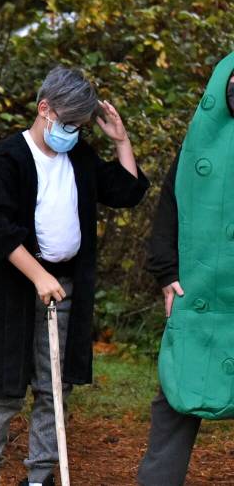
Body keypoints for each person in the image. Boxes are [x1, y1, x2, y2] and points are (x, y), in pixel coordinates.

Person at [0, 66, 148, 486]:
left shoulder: (78, 156)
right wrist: (37, 275)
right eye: (68, 124)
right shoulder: (8, 159)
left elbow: (127, 190)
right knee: (5, 387)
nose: (73, 133)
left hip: (65, 288)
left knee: (54, 386)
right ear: (44, 108)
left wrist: (121, 141)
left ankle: (40, 475)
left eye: (80, 127)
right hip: (17, 289)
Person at [137, 57, 234, 485]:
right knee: (176, 401)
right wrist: (165, 273)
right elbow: (170, 209)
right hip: (197, 300)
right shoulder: (199, 146)